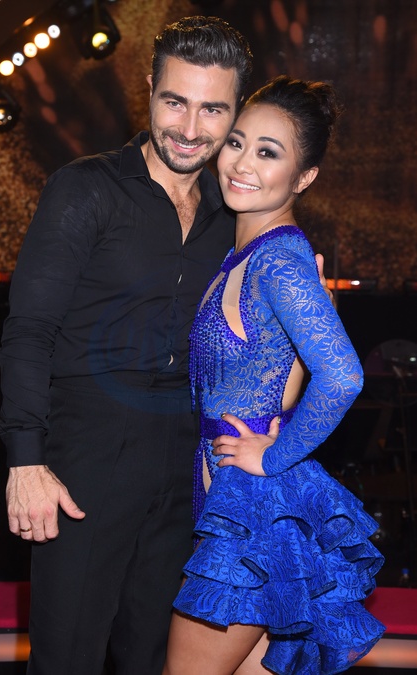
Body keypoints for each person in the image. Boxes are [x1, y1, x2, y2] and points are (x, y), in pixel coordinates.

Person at [0, 17, 330, 675]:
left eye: (213, 110)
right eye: (175, 101)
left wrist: (302, 324)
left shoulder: (236, 216)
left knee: (156, 661)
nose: (190, 128)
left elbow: (265, 349)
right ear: (148, 89)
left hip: (192, 475)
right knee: (66, 659)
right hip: (84, 465)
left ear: (235, 110)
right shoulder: (85, 188)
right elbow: (28, 330)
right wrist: (25, 461)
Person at [163, 76, 385, 675]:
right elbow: (278, 369)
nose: (241, 163)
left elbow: (343, 377)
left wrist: (274, 455)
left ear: (303, 177)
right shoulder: (250, 253)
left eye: (268, 152)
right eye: (237, 142)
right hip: (239, 504)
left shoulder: (279, 261)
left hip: (254, 511)